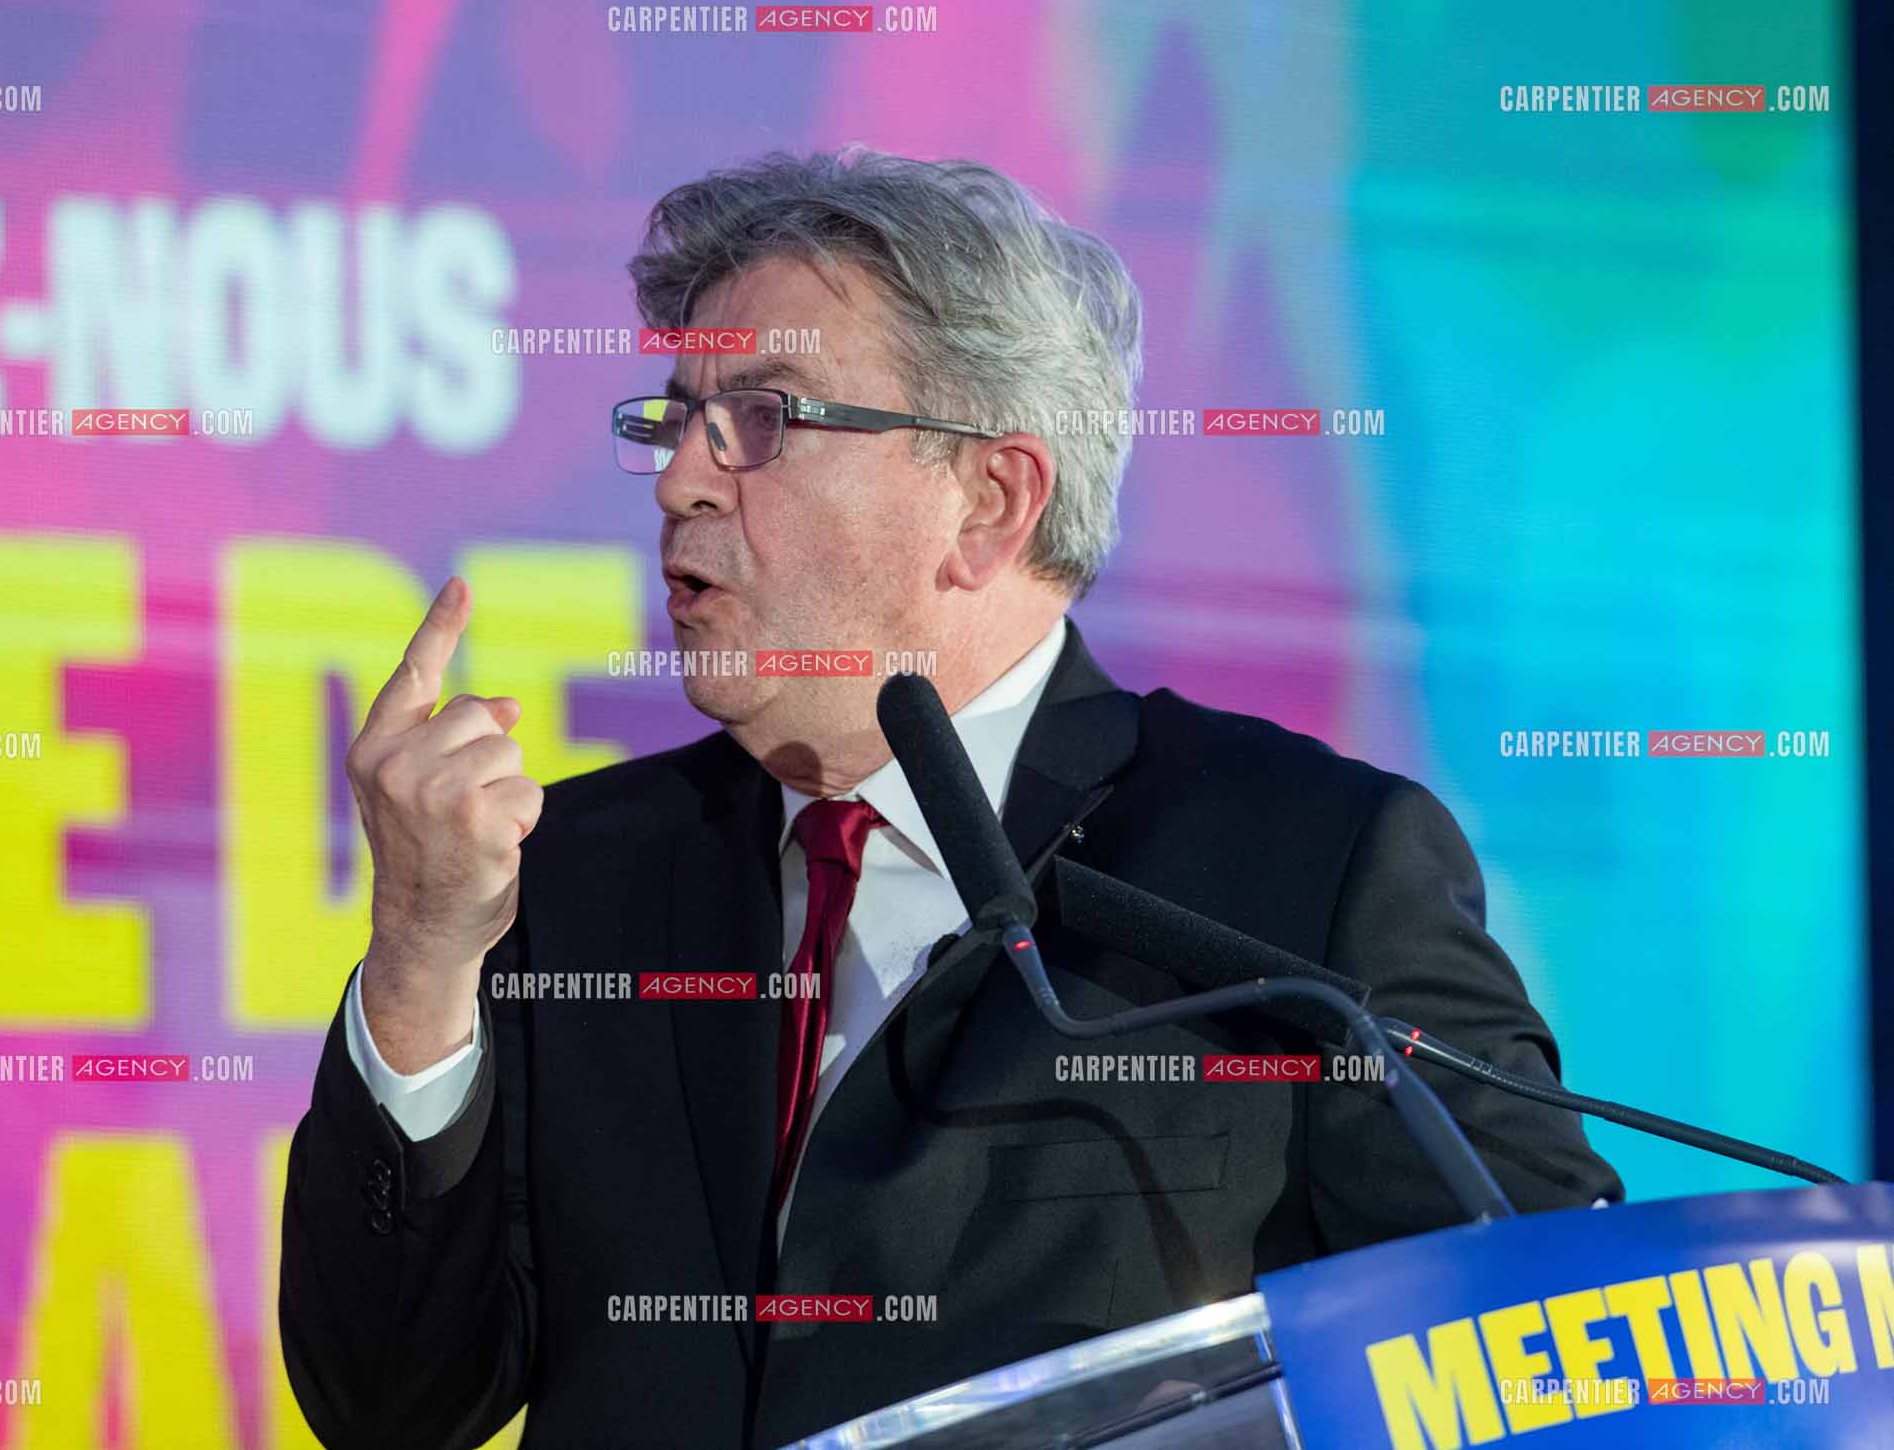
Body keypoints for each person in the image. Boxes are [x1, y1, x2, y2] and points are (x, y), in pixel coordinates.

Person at [278, 147, 1621, 1450]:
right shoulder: (571, 873)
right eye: (674, 419)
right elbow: (389, 1405)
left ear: (989, 499)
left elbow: (1552, 1351)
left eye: (762, 419)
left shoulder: (1301, 868)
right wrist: (419, 958)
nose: (683, 477)